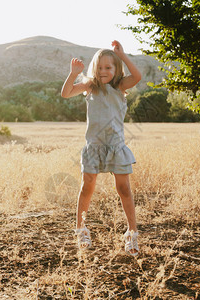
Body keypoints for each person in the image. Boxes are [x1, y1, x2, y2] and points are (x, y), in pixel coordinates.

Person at [61, 40, 142, 256]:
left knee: (124, 188)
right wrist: (73, 73)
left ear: (116, 69)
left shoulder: (120, 87)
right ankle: (81, 229)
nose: (103, 71)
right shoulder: (90, 86)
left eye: (109, 67)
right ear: (93, 69)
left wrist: (123, 55)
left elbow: (137, 77)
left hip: (116, 146)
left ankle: (131, 233)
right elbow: (66, 93)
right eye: (99, 67)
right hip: (94, 147)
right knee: (87, 186)